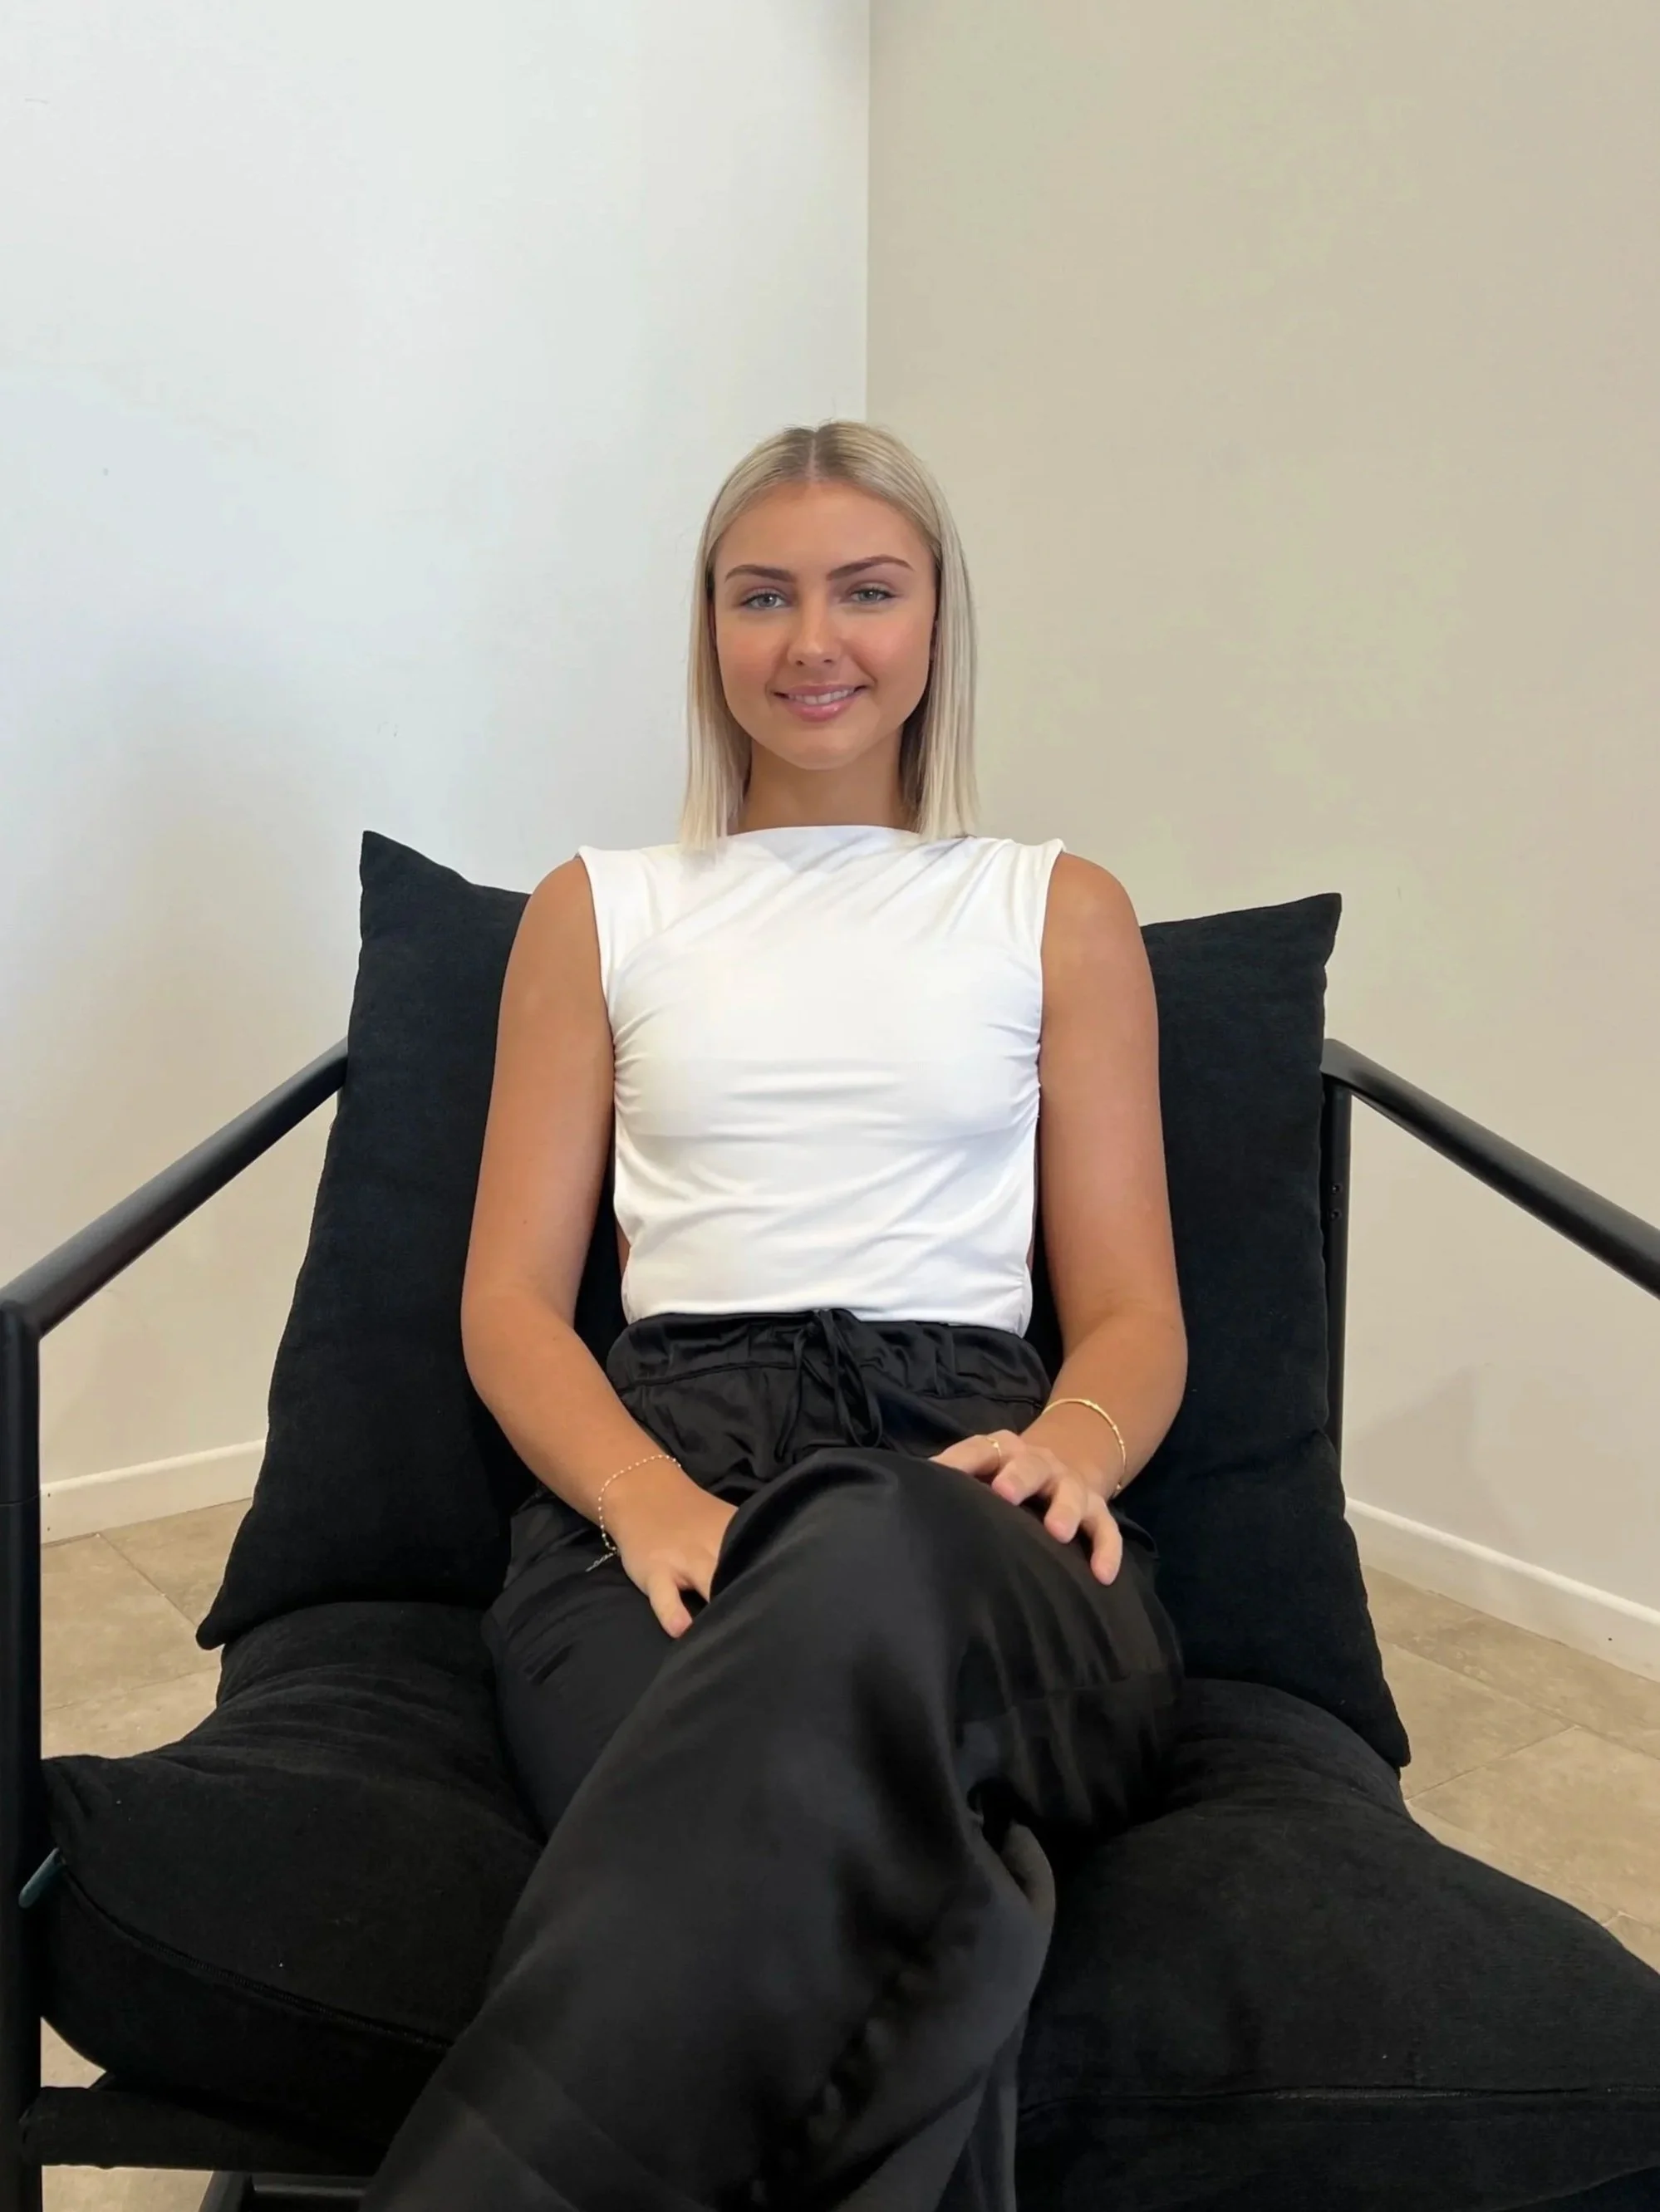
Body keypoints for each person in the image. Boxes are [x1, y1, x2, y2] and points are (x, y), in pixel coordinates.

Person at [360, 420, 1191, 2212]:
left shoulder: (1054, 905)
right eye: (765, 595)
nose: (815, 638)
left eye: (866, 590)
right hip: (668, 1465)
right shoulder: (603, 910)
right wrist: (643, 1500)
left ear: (934, 623)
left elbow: (1133, 1312)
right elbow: (511, 1303)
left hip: (966, 1476)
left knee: (873, 1556)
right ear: (712, 633)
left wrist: (1067, 1452)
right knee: (851, 1864)